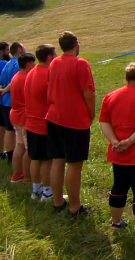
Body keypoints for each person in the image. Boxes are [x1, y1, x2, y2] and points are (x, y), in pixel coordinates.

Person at [99, 62, 135, 232]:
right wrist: (130, 142)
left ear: (126, 78)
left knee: (118, 187)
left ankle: (116, 224)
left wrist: (115, 141)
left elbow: (103, 121)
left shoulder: (111, 96)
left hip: (118, 152)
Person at [46, 31, 96, 218]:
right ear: (76, 44)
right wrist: (91, 114)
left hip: (53, 117)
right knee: (74, 165)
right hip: (74, 121)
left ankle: (58, 201)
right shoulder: (80, 64)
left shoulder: (54, 63)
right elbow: (88, 94)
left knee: (57, 160)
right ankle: (75, 207)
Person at [24, 44, 57, 201]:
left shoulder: (31, 73)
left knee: (35, 158)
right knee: (47, 160)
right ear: (50, 57)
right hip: (43, 123)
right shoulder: (47, 74)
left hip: (30, 123)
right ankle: (48, 193)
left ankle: (35, 190)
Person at [0, 42, 26, 163]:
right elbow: (15, 82)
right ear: (19, 49)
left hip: (4, 103)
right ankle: (18, 156)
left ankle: (10, 155)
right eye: (23, 48)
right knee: (17, 131)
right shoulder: (18, 64)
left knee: (9, 129)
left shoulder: (7, 64)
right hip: (14, 102)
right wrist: (2, 92)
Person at [9, 52, 35, 184]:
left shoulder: (16, 76)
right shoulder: (26, 78)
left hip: (15, 115)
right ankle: (28, 178)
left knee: (19, 146)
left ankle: (17, 174)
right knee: (30, 149)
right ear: (29, 64)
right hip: (24, 117)